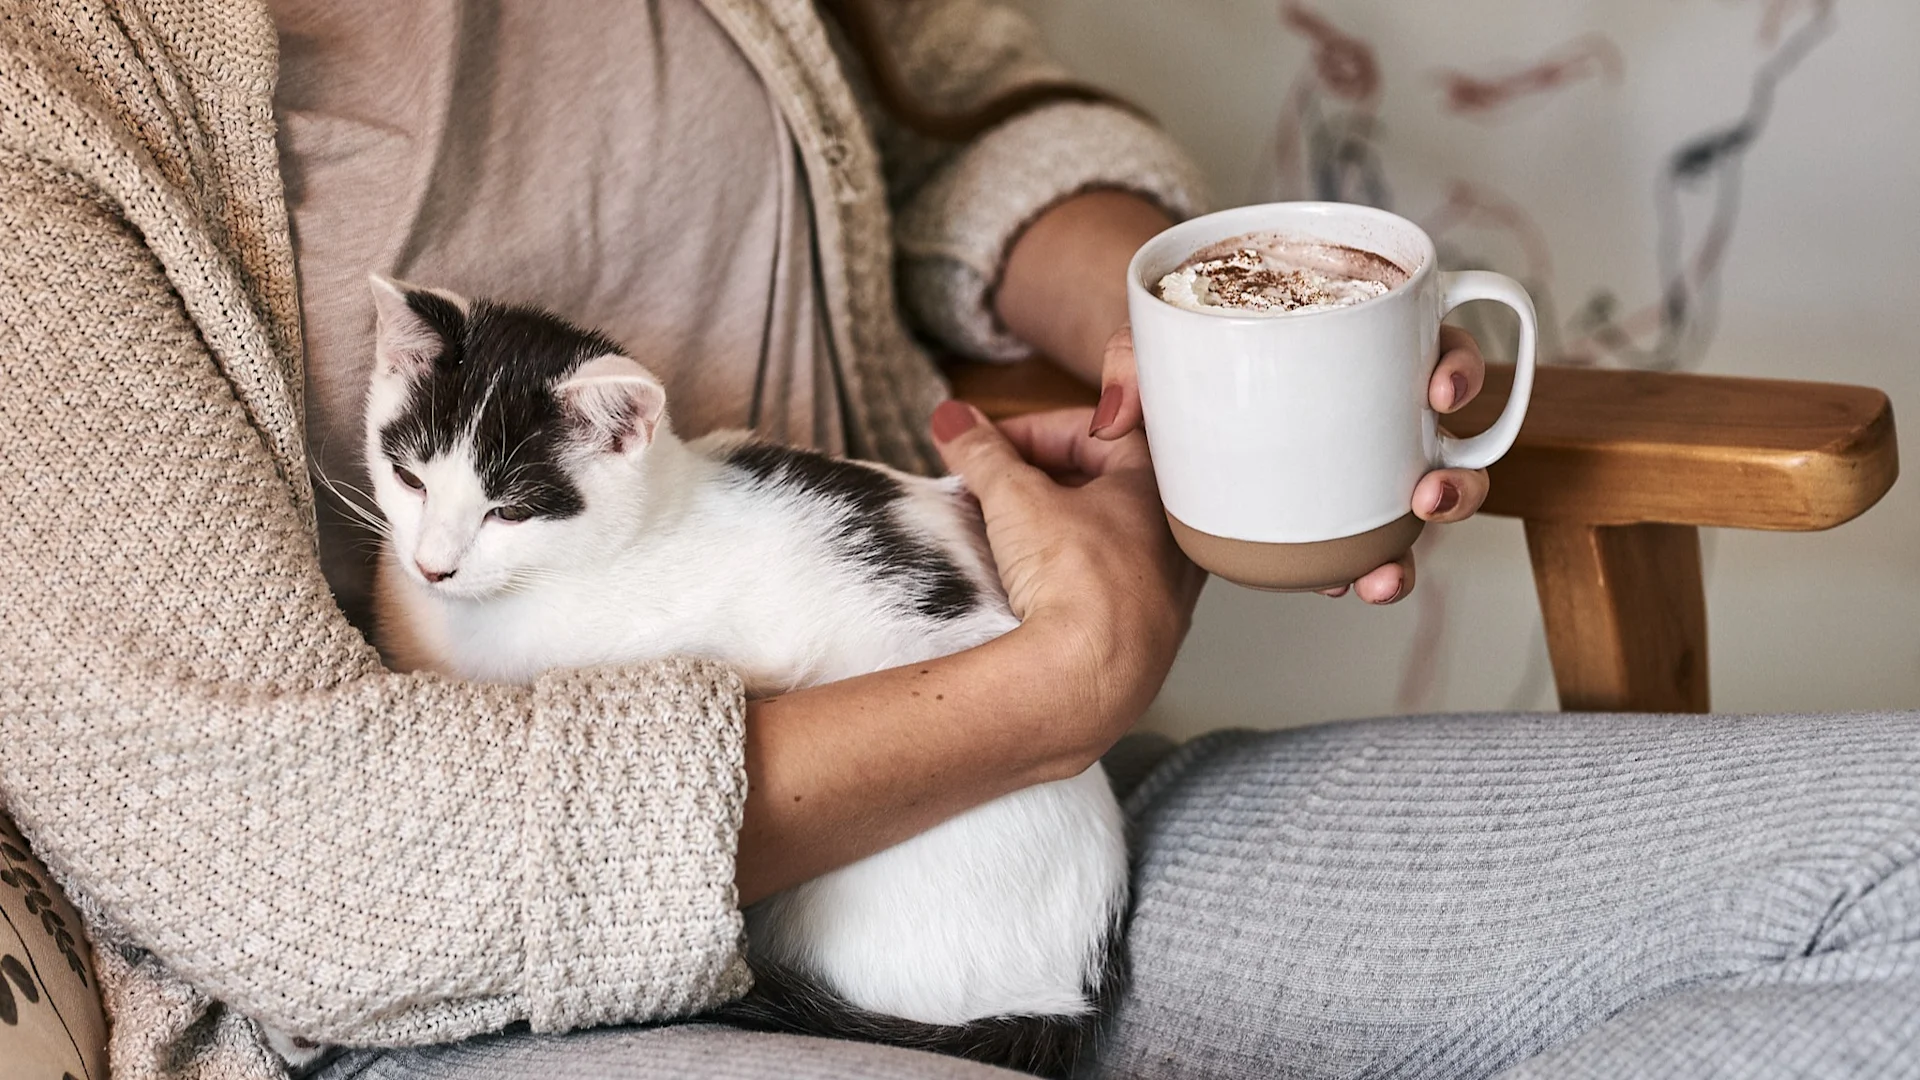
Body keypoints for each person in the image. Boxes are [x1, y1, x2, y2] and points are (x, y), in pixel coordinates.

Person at [0, 3, 1914, 1080]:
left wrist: (1179, 350)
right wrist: (1044, 684)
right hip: (456, 1013)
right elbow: (293, 872)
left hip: (999, 822)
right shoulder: (51, 104)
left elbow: (949, 111)